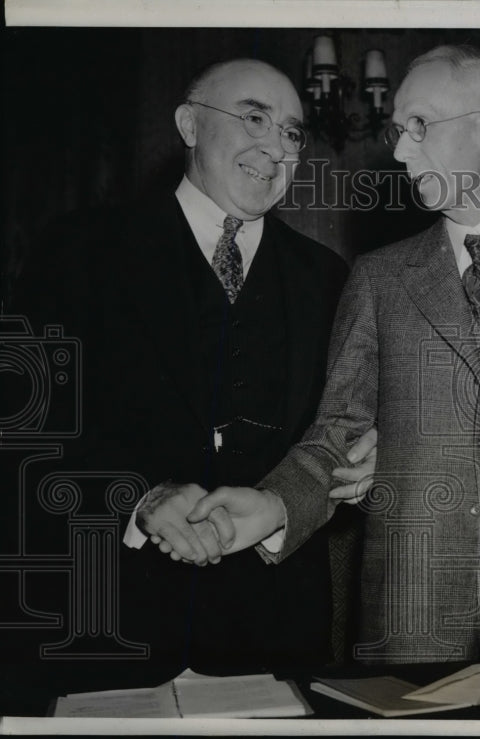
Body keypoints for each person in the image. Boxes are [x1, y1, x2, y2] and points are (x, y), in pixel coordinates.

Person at [147, 45, 480, 662]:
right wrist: (273, 504)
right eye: (398, 130)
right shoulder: (377, 278)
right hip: (409, 614)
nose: (400, 149)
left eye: (419, 126)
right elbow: (337, 432)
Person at [8, 59, 371, 696]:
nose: (274, 146)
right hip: (101, 627)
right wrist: (135, 496)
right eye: (254, 117)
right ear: (189, 124)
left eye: (291, 133)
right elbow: (23, 429)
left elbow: (343, 437)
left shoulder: (330, 281)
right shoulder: (78, 250)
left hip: (272, 640)